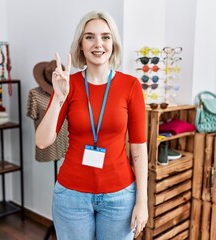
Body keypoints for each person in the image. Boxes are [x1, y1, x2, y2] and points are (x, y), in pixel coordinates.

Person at [36, 10, 148, 240]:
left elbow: (138, 148)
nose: (98, 44)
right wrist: (58, 96)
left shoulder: (131, 86)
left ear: (113, 43)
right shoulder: (69, 85)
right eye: (90, 37)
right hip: (71, 196)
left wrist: (142, 201)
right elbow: (42, 141)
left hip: (119, 197)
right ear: (80, 45)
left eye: (105, 37)